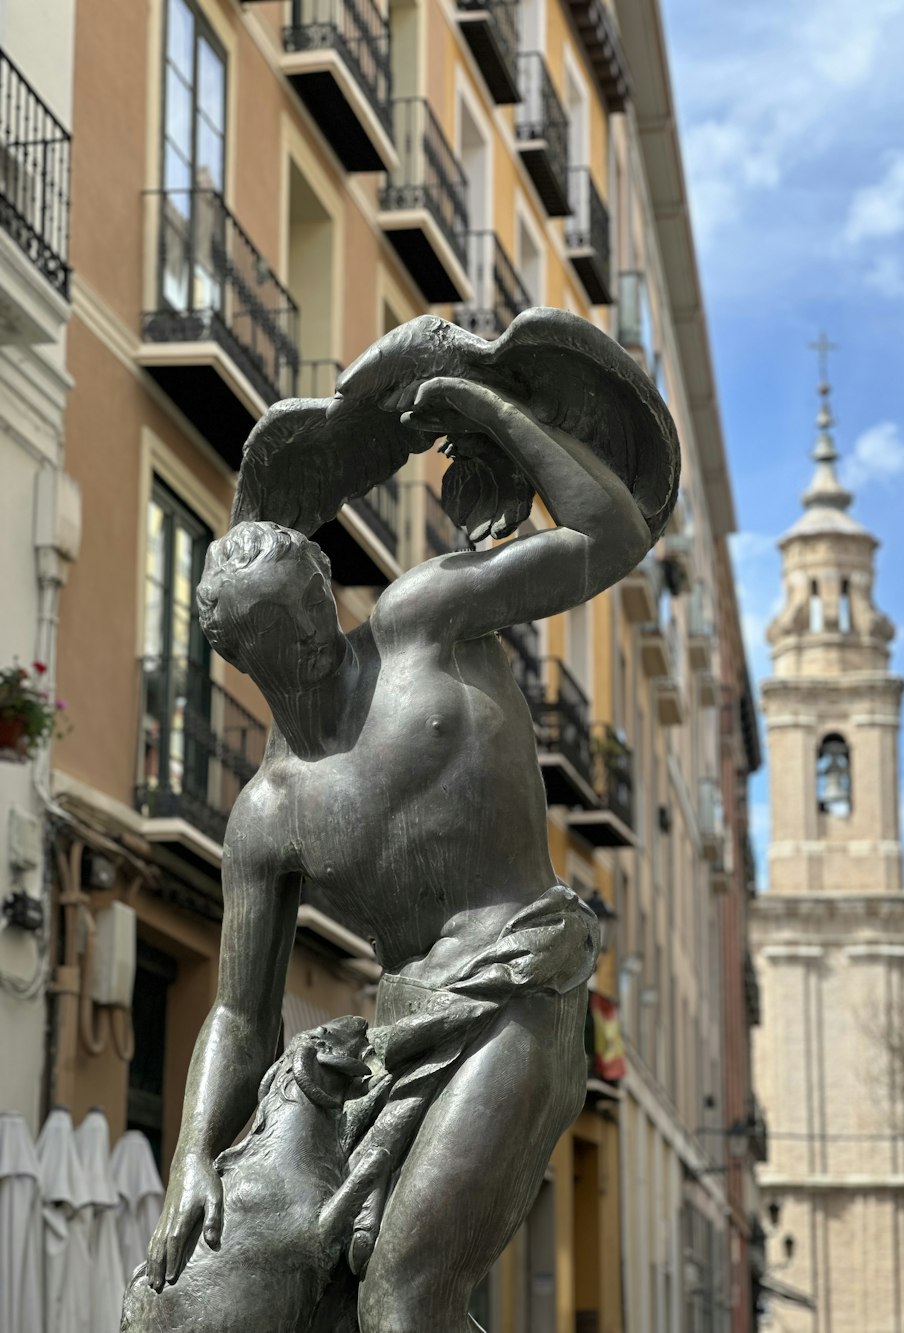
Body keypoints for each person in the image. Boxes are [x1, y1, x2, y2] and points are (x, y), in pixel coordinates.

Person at [145, 374, 652, 1332]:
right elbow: (239, 1016)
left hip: (523, 986)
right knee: (346, 1296)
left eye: (314, 603)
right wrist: (191, 1164)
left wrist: (500, 409)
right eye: (281, 631)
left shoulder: (423, 620)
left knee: (402, 1292)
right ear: (244, 654)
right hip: (402, 1027)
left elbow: (609, 538)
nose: (313, 636)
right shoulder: (270, 811)